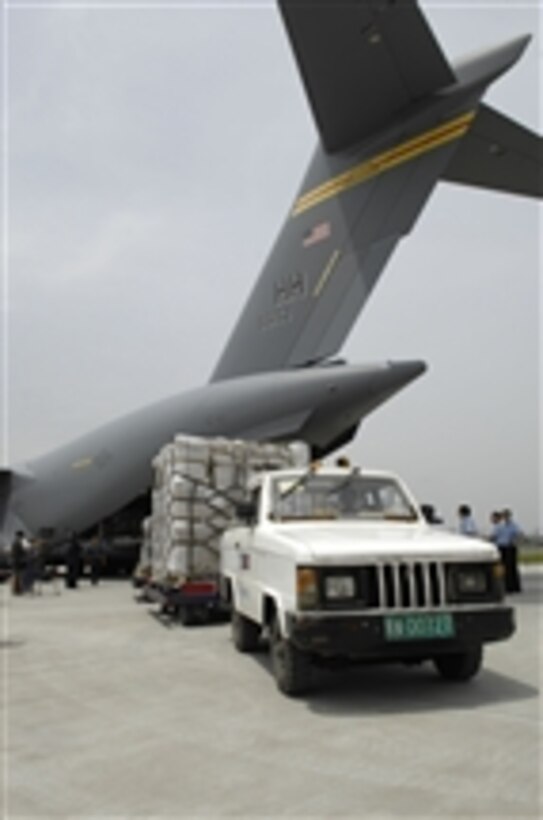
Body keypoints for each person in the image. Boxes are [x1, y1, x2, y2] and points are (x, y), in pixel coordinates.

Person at [499, 509, 522, 593]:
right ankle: (506, 586)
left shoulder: (513, 525)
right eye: (504, 516)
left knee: (511, 567)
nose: (505, 517)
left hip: (510, 547)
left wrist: (514, 541)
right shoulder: (501, 526)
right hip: (502, 547)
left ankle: (514, 586)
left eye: (506, 515)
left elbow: (519, 534)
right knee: (504, 567)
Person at [10, 531, 27, 595]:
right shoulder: (22, 542)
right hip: (19, 561)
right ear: (21, 536)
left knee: (15, 575)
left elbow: (12, 552)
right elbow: (26, 550)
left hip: (14, 561)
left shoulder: (14, 542)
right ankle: (19, 590)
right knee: (19, 576)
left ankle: (15, 590)